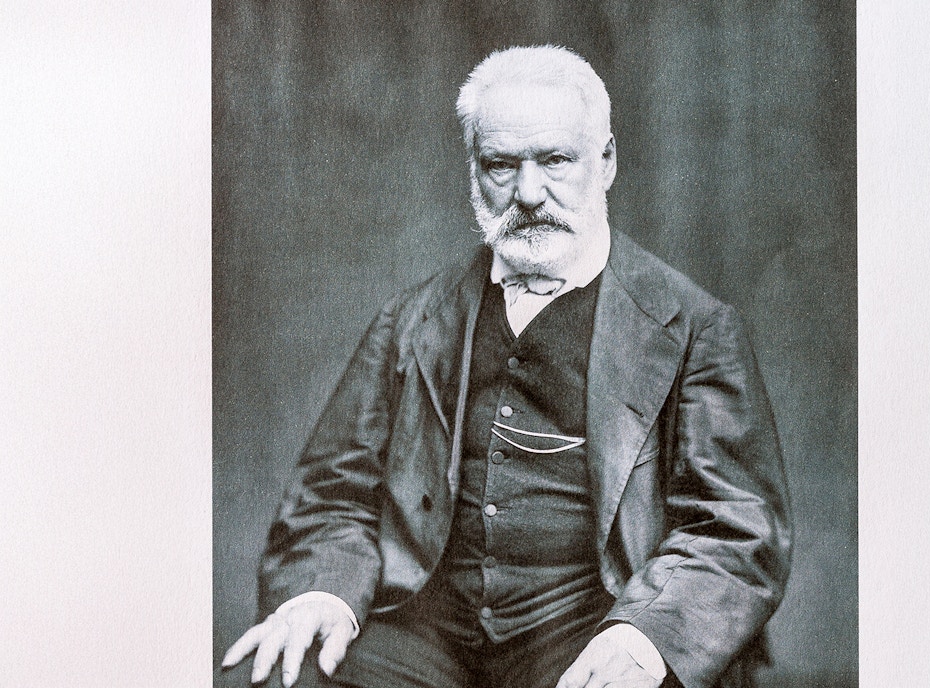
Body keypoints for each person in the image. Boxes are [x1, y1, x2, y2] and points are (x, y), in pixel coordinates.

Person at [222, 45, 791, 688]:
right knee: (286, 672)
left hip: (595, 626)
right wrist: (321, 593)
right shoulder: (413, 319)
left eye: (555, 160)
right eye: (501, 165)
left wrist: (645, 636)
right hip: (428, 633)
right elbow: (332, 493)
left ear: (606, 161)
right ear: (474, 170)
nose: (528, 193)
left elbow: (736, 526)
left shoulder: (694, 328)